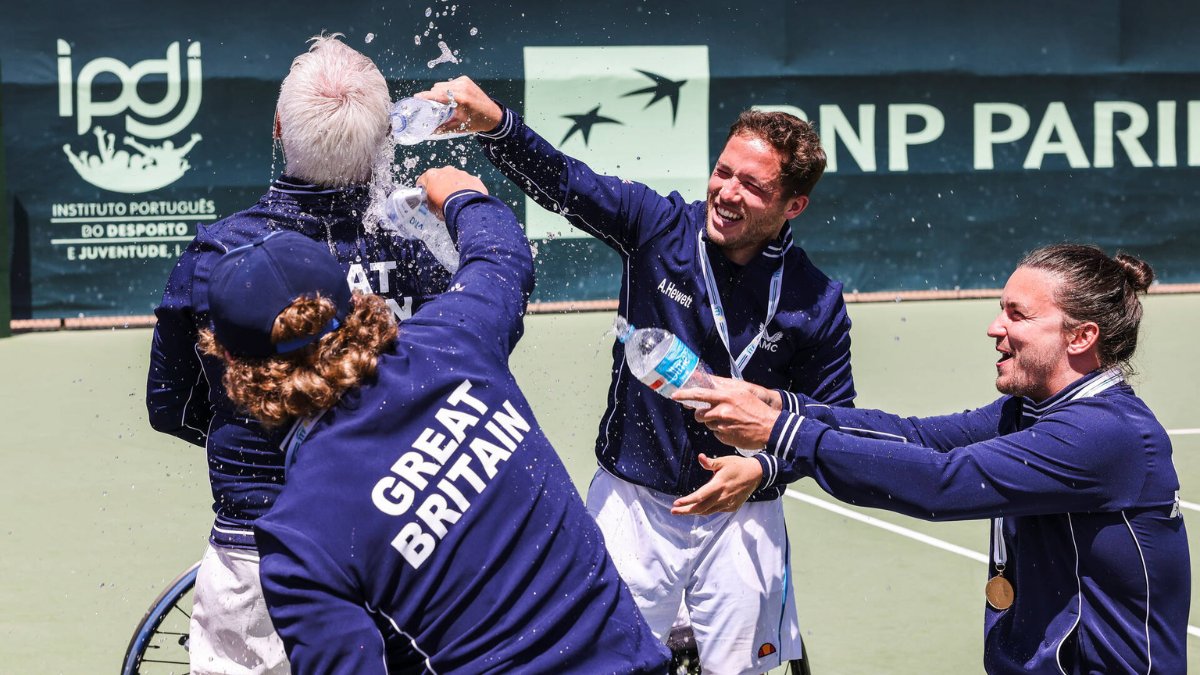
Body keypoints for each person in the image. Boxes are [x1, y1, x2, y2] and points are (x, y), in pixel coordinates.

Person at [416, 76, 855, 674]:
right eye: (723, 171)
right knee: (601, 663)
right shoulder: (659, 228)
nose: (726, 192)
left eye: (753, 186)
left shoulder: (815, 299)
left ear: (792, 205)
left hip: (745, 516)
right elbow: (568, 183)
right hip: (633, 506)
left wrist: (762, 467)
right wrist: (496, 122)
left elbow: (836, 422)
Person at [198, 167, 672, 675]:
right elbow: (501, 253)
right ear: (354, 301)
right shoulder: (454, 338)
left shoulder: (299, 540)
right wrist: (462, 195)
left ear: (238, 369)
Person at [672, 244, 1190, 674]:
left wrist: (782, 436)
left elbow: (942, 482)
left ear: (1081, 337)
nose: (994, 327)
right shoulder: (1031, 411)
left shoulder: (1105, 435)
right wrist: (785, 406)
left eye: (1017, 314)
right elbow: (918, 438)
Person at [145, 34, 449, 674]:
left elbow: (171, 407)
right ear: (381, 144)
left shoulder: (214, 258)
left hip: (258, 542)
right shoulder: (423, 252)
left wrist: (254, 429)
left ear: (278, 128)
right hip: (400, 542)